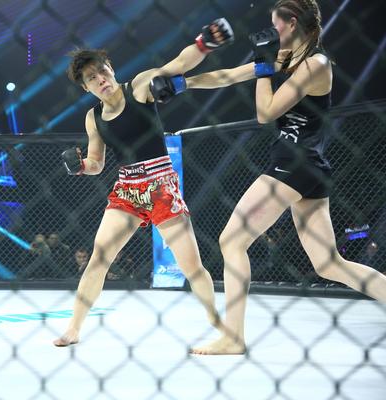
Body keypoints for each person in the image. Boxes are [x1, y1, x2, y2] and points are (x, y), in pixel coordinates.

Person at [160, 0, 386, 354]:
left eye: (275, 24)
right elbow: (229, 76)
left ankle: (233, 337)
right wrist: (181, 84)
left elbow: (265, 113)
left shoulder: (315, 64)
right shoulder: (287, 58)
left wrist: (264, 68)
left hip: (294, 164)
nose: (271, 31)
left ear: (292, 23)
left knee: (232, 242)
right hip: (306, 166)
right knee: (328, 263)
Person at [53, 18, 235, 347]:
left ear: (111, 69)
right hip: (128, 190)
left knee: (191, 266)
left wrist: (204, 44)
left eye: (102, 71)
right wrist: (80, 167)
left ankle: (218, 322)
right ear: (86, 87)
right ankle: (74, 328)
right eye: (92, 78)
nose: (100, 80)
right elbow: (96, 163)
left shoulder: (137, 87)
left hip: (161, 185)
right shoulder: (93, 118)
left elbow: (178, 64)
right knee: (98, 258)